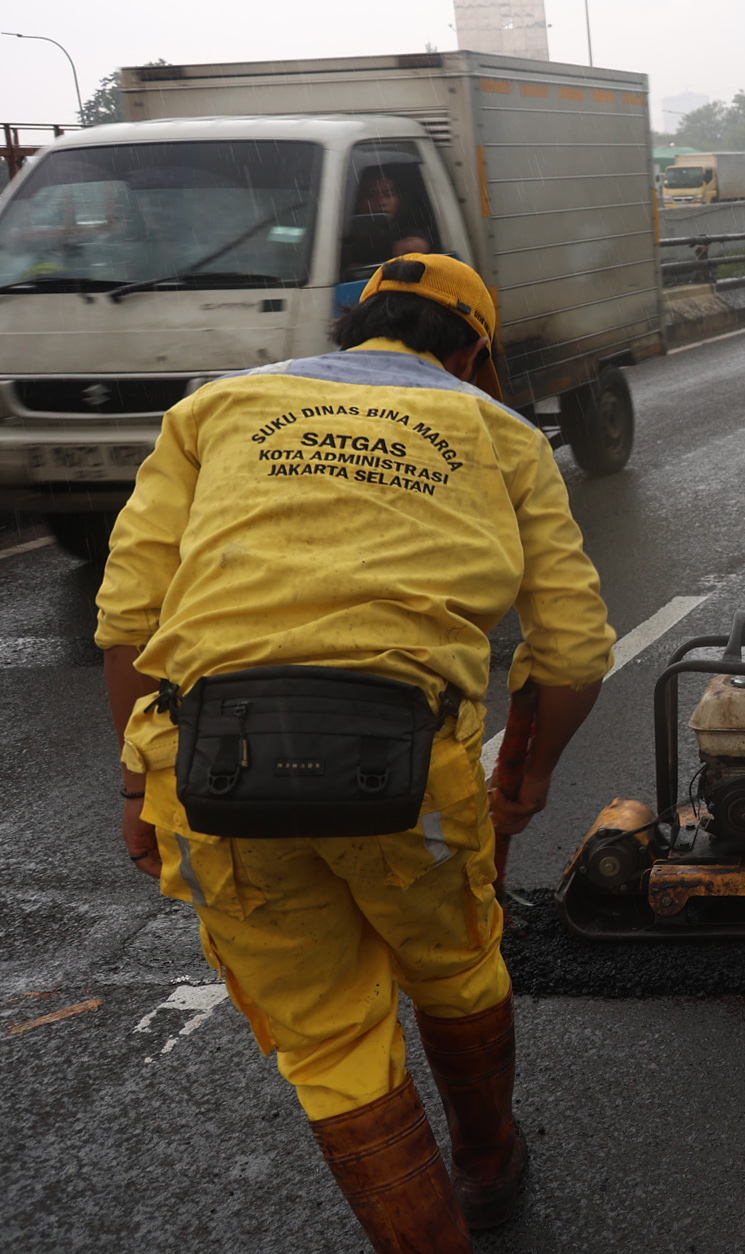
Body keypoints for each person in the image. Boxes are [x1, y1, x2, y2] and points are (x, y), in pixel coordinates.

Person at [97, 253, 615, 1251]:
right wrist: (530, 778)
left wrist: (134, 783)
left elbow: (128, 620)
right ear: (472, 352)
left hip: (208, 770)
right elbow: (575, 649)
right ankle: (487, 1162)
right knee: (459, 968)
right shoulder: (498, 431)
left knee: (327, 1039)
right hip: (408, 772)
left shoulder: (214, 410)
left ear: (354, 326)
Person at [357, 166, 434, 257]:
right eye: (370, 195)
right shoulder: (345, 233)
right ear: (357, 202)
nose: (381, 202)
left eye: (388, 195)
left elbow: (416, 245)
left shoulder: (411, 228)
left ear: (400, 200)